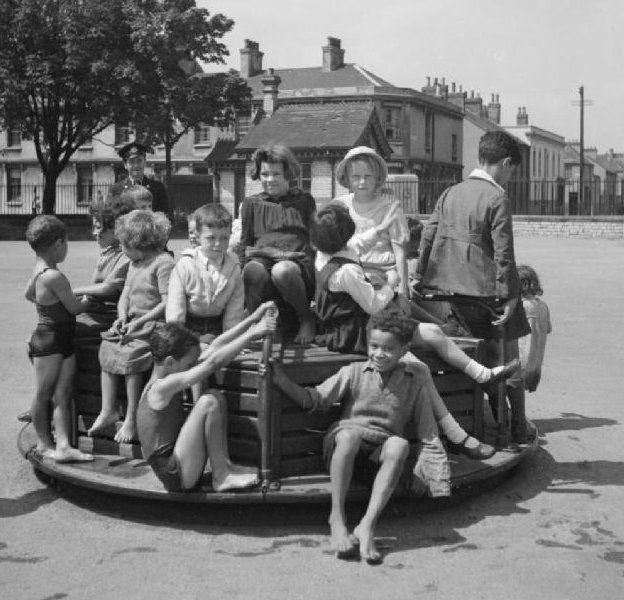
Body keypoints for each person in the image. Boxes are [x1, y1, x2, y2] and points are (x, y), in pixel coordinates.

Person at [312, 203, 518, 459]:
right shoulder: (347, 272)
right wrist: (391, 283)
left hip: (365, 324)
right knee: (418, 368)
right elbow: (375, 305)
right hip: (355, 333)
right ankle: (456, 436)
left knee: (432, 332)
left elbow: (358, 244)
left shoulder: (328, 254)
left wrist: (381, 229)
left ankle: (483, 374)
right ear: (344, 235)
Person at [273, 307, 449, 564]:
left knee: (399, 444)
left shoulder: (415, 378)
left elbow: (427, 429)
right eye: (374, 346)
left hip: (377, 459)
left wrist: (431, 473)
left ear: (404, 350)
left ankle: (367, 525)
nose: (379, 354)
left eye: (388, 349)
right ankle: (337, 517)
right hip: (343, 450)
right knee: (350, 436)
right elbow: (316, 399)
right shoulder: (353, 372)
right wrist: (281, 380)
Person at [415, 131, 530, 441]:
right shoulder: (497, 198)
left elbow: (428, 235)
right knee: (507, 359)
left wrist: (418, 274)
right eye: (512, 170)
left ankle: (492, 419)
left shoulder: (450, 192)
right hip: (488, 293)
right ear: (505, 163)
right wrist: (509, 297)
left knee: (477, 358)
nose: (510, 177)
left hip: (451, 291)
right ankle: (516, 426)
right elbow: (504, 253)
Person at [137, 303, 277, 493]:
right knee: (208, 402)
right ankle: (221, 476)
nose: (192, 366)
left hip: (182, 460)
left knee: (214, 396)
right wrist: (252, 334)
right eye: (189, 363)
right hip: (174, 473)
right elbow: (212, 363)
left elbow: (216, 345)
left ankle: (225, 468)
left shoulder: (172, 371)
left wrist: (253, 319)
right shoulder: (160, 387)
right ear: (170, 362)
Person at [90, 210, 174, 443]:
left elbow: (168, 302)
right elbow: (125, 294)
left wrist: (139, 322)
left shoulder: (163, 263)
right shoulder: (134, 263)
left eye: (123, 245)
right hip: (132, 325)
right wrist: (121, 317)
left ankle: (131, 418)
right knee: (107, 348)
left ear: (137, 243)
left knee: (131, 356)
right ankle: (108, 410)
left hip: (153, 326)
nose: (121, 249)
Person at [24, 215, 93, 463]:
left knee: (62, 393)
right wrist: (86, 302)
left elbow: (28, 294)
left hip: (60, 339)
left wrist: (47, 303)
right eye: (66, 243)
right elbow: (74, 308)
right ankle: (44, 443)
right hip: (49, 341)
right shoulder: (53, 276)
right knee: (44, 393)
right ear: (57, 244)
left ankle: (63, 445)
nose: (67, 248)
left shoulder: (39, 271)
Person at [238, 145, 316, 344]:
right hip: (262, 257)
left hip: (295, 261)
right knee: (252, 269)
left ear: (287, 173)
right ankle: (256, 322)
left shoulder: (305, 201)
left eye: (276, 174)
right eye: (264, 174)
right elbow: (245, 242)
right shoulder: (250, 203)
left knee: (282, 271)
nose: (270, 179)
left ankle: (306, 319)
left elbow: (314, 238)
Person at [166, 203, 244, 341]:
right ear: (197, 235)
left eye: (224, 238)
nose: (218, 244)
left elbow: (235, 309)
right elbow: (175, 306)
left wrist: (232, 339)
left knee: (221, 354)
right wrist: (178, 337)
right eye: (211, 238)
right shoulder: (185, 265)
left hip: (218, 327)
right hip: (188, 326)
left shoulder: (233, 268)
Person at [73, 196, 137, 337]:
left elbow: (107, 288)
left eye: (98, 228)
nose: (95, 233)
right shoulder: (107, 253)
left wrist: (72, 291)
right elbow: (92, 286)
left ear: (116, 229)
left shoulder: (126, 255)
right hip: (96, 307)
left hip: (109, 313)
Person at [107, 142, 171, 219]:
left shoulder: (158, 188)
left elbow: (166, 217)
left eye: (139, 161)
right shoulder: (115, 190)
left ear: (145, 162)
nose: (136, 165)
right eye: (131, 162)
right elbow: (109, 219)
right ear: (125, 165)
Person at [517, 265, 551, 392]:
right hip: (535, 362)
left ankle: (515, 411)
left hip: (520, 359)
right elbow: (547, 328)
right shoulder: (543, 306)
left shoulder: (522, 306)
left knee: (512, 387)